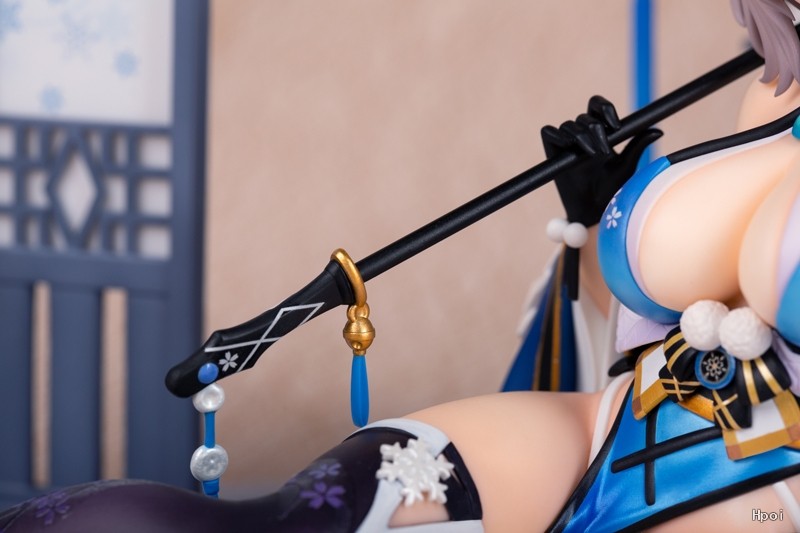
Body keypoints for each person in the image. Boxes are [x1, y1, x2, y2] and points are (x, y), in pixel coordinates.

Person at [2, 0, 800, 531]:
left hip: (768, 485)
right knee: (308, 518)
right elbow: (664, 311)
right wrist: (596, 215)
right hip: (620, 419)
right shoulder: (772, 88)